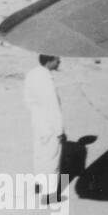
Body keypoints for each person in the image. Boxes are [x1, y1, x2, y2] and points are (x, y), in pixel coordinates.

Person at [24, 54, 67, 203]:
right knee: (52, 157)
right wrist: (60, 130)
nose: (59, 61)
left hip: (37, 121)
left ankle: (38, 184)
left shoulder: (32, 74)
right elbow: (53, 107)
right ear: (49, 61)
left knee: (40, 153)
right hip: (50, 125)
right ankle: (49, 195)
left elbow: (28, 99)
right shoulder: (46, 80)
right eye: (56, 59)